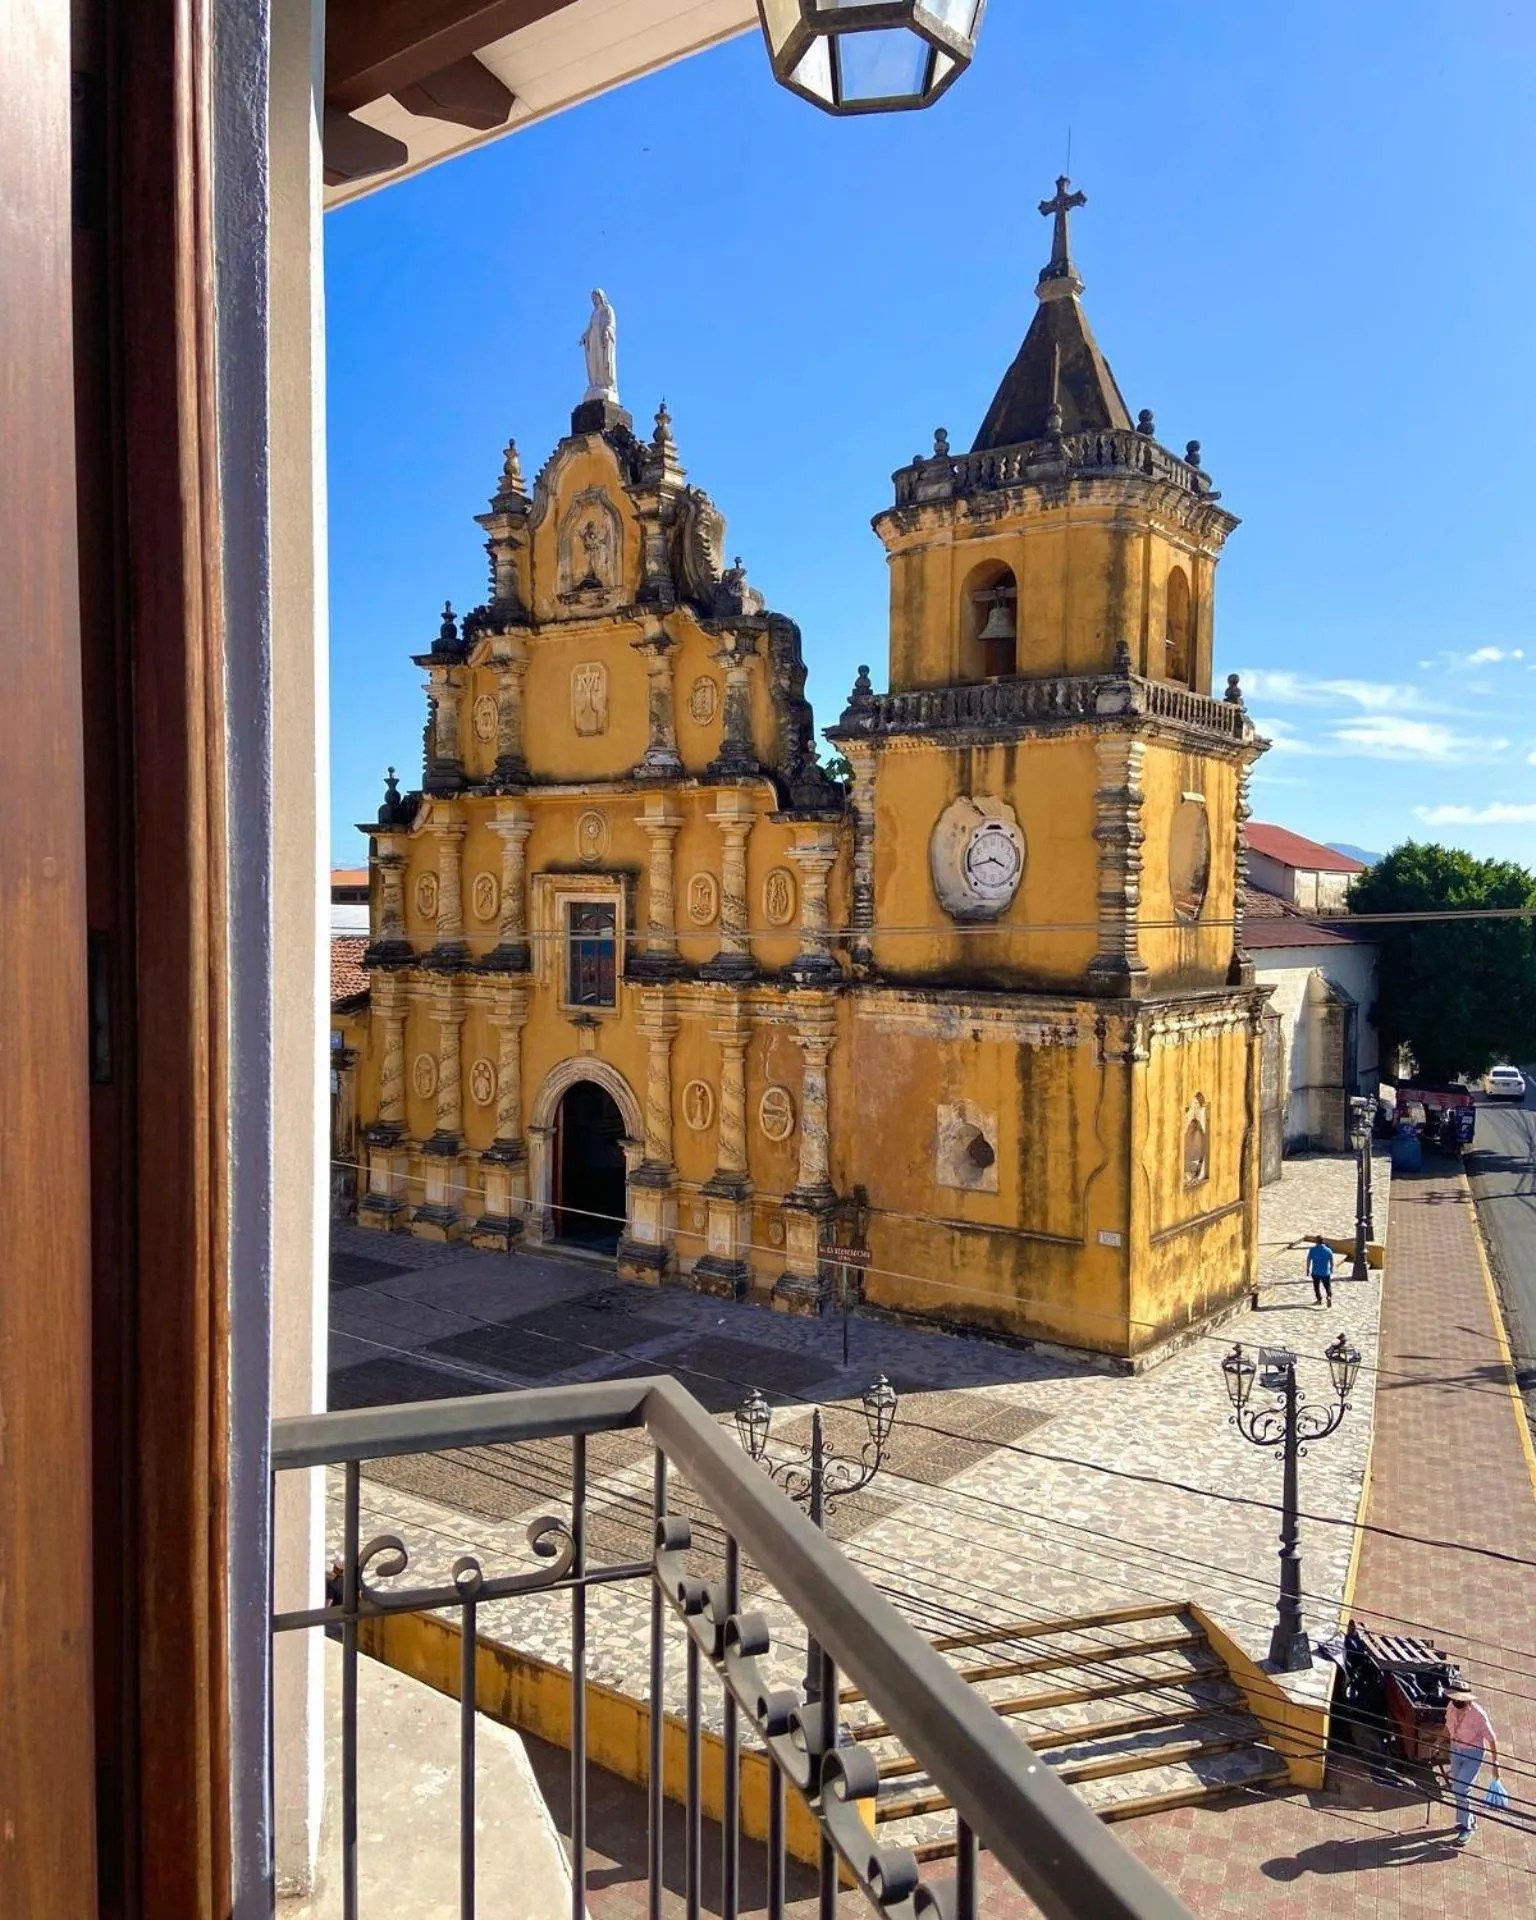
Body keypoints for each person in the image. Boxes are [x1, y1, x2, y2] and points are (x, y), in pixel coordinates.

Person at [1444, 1680, 1500, 1842]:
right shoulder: (1451, 1706)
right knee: (1456, 1788)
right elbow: (1448, 1726)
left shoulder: (1478, 1714)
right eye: (1455, 1699)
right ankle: (1466, 1820)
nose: (1457, 1702)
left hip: (1472, 1754)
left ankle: (1468, 1827)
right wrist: (1438, 1742)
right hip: (1455, 1749)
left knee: (1462, 1789)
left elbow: (1492, 1739)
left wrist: (1495, 1763)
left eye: (1460, 1700)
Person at [1306, 1235, 1335, 1307]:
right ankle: (1329, 1296)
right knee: (1327, 1286)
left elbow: (1309, 1260)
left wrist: (1308, 1269)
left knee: (1316, 1286)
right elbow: (1332, 1262)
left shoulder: (1312, 1250)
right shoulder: (1328, 1250)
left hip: (1316, 1271)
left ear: (1316, 1241)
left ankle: (1319, 1299)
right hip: (1326, 1272)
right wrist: (1331, 1269)